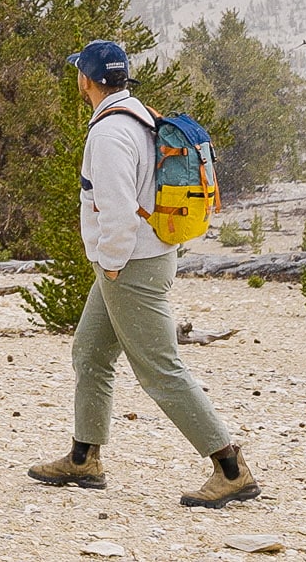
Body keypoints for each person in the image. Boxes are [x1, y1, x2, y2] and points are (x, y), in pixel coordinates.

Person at [26, 39, 259, 508]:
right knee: (90, 351)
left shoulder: (108, 134)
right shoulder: (140, 117)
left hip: (129, 263)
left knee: (160, 370)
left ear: (85, 80)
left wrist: (110, 265)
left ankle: (230, 467)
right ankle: (83, 458)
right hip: (140, 257)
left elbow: (115, 213)